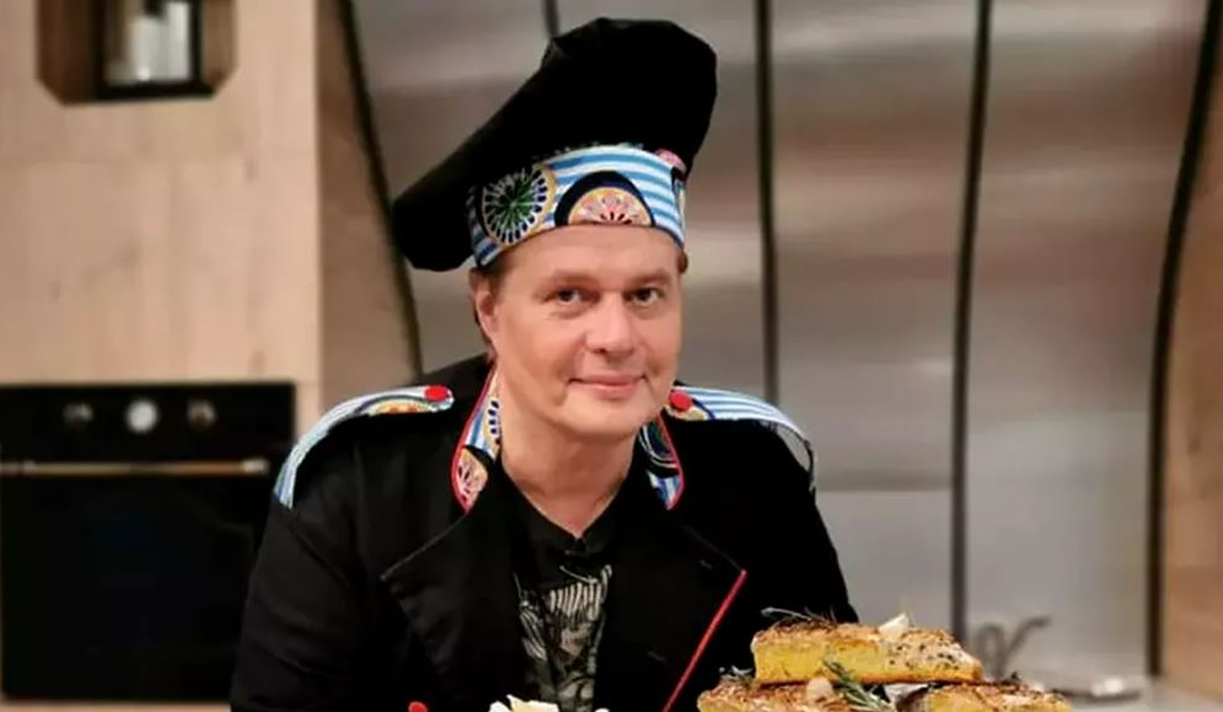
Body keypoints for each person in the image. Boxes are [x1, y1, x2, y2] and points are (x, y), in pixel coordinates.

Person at [231, 17, 855, 712]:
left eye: (645, 294)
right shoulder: (356, 491)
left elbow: (839, 692)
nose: (616, 336)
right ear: (489, 310)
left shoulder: (756, 480)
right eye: (569, 296)